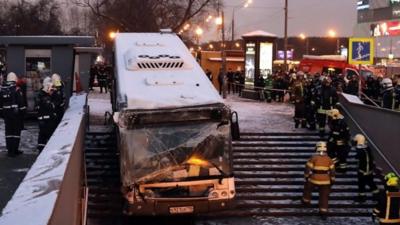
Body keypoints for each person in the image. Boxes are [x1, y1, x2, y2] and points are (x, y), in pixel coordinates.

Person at [302, 141, 335, 220]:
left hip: (314, 178)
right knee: (324, 196)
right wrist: (332, 180)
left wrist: (306, 176)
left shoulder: (313, 158)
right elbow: (332, 171)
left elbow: (307, 168)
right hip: (326, 180)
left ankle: (306, 201)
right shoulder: (329, 159)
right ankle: (323, 212)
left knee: (307, 188)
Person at [0, 72, 26, 157]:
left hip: (6, 114)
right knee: (16, 132)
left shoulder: (3, 89)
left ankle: (9, 150)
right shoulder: (16, 89)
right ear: (15, 79)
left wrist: (2, 113)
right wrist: (23, 112)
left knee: (8, 132)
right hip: (16, 114)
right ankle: (14, 150)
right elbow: (20, 102)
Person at [352, 134, 379, 203]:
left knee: (361, 184)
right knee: (371, 183)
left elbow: (356, 159)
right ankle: (377, 196)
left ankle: (362, 198)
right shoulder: (367, 148)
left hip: (363, 171)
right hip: (369, 170)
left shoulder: (359, 150)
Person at [35, 77, 57, 153]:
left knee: (42, 135)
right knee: (46, 135)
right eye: (51, 90)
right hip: (46, 121)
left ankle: (41, 149)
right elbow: (50, 107)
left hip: (44, 120)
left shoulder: (41, 95)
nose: (52, 92)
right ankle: (44, 150)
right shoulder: (45, 97)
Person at [326, 109, 350, 173]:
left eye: (331, 116)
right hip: (338, 142)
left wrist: (331, 140)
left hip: (341, 143)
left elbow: (336, 134)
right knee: (333, 153)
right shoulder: (337, 121)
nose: (330, 118)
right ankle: (338, 166)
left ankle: (341, 168)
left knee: (341, 157)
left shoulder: (340, 123)